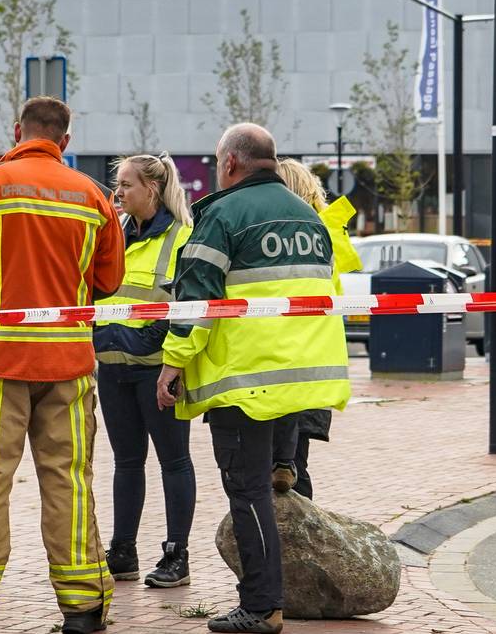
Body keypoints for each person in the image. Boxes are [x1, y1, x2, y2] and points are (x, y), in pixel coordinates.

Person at [0, 96, 124, 634]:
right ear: (65, 140)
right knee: (69, 480)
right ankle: (85, 608)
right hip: (68, 363)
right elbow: (107, 283)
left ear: (17, 131)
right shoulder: (93, 196)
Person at [156, 123, 351, 634]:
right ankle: (274, 596)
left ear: (230, 164)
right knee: (274, 482)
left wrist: (173, 363)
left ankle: (263, 605)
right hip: (300, 375)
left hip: (246, 377)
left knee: (247, 491)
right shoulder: (309, 216)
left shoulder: (222, 215)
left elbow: (195, 303)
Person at [94, 153, 196, 589]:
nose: (118, 193)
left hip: (158, 369)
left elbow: (187, 306)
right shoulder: (112, 232)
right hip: (112, 367)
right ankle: (123, 551)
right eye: (118, 185)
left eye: (126, 185)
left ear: (151, 188)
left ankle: (177, 555)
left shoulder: (182, 236)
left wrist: (155, 348)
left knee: (173, 461)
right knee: (126, 462)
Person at [268, 158, 360, 499]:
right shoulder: (327, 233)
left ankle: (282, 545)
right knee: (296, 461)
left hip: (284, 356)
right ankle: (302, 538)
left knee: (279, 461)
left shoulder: (292, 238)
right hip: (316, 360)